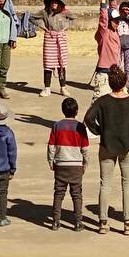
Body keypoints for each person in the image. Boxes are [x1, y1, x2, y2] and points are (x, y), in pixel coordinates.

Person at [85, 63, 129, 235]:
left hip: (107, 146)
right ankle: (128, 224)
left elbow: (88, 118)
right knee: (127, 184)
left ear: (110, 82)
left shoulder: (102, 102)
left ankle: (103, 222)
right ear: (124, 82)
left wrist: (99, 131)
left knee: (105, 183)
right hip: (128, 146)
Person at [47, 95, 90, 231]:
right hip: (76, 165)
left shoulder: (57, 126)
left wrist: (51, 161)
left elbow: (51, 146)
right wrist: (85, 164)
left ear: (62, 110)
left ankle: (55, 221)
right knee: (76, 194)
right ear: (76, 111)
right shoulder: (81, 127)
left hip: (60, 164)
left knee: (59, 193)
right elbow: (85, 149)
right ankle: (78, 222)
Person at [39, 0, 74, 97]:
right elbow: (32, 18)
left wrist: (65, 27)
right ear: (49, 2)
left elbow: (73, 18)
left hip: (60, 39)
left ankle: (63, 88)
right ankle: (47, 88)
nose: (54, 3)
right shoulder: (44, 12)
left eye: (56, 1)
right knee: (48, 65)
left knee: (61, 65)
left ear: (60, 3)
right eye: (52, 1)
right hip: (49, 39)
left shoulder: (65, 12)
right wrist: (43, 26)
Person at [93, 0, 122, 92]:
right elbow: (103, 18)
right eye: (115, 21)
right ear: (109, 21)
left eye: (119, 20)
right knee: (101, 100)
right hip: (104, 72)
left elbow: (114, 9)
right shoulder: (104, 32)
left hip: (115, 71)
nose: (118, 23)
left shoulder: (115, 31)